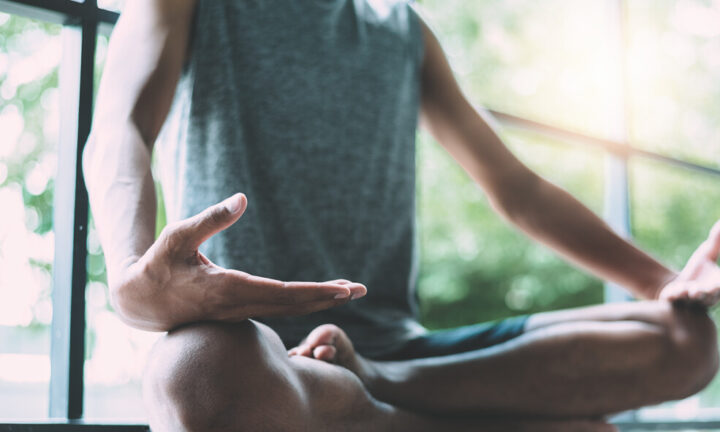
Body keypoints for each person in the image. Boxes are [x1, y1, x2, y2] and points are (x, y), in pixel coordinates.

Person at [83, 0, 720, 430]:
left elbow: (517, 189)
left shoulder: (403, 30)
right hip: (259, 351)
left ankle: (373, 393)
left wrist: (663, 282)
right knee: (194, 374)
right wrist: (131, 276)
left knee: (688, 341)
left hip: (405, 360)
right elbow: (119, 127)